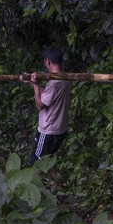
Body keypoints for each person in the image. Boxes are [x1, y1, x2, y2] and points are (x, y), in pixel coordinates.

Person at [19, 46, 71, 180]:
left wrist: (36, 87)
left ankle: (32, 193)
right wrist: (32, 83)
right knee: (47, 157)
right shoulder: (65, 78)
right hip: (61, 129)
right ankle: (56, 183)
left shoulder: (54, 83)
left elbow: (40, 105)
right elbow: (48, 96)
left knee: (37, 164)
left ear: (47, 61)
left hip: (48, 130)